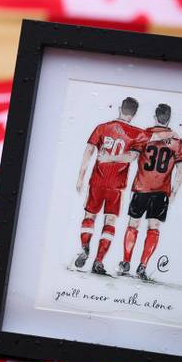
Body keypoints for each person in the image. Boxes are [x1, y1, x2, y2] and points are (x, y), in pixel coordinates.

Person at [74, 97, 143, 276]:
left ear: (120, 108)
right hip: (116, 185)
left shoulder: (102, 127)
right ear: (134, 114)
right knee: (110, 221)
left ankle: (84, 247)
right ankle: (98, 261)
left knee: (90, 215)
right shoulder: (137, 134)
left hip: (97, 180)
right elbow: (130, 158)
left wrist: (80, 177)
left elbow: (88, 152)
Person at [120, 103, 182, 281]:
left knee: (133, 224)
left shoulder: (144, 135)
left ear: (155, 117)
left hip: (141, 187)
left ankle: (126, 262)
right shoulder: (176, 141)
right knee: (154, 227)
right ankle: (142, 266)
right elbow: (181, 169)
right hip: (161, 191)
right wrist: (174, 192)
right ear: (169, 118)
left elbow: (132, 156)